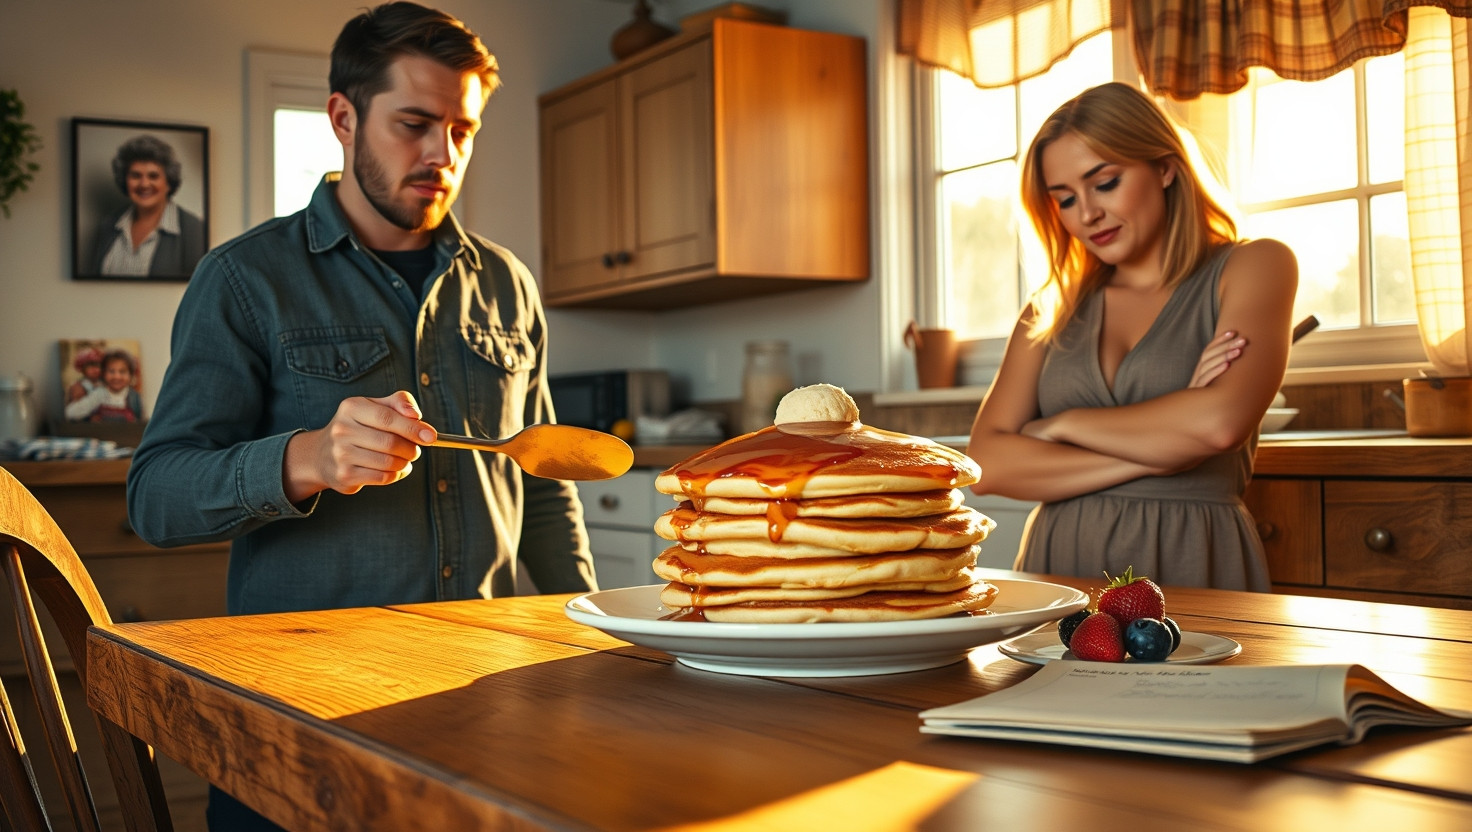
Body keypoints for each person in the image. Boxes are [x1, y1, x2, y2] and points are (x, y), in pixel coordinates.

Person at [125, 4, 596, 829]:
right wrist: (305, 458)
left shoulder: (508, 285)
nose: (441, 156)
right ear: (342, 117)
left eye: (462, 129)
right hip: (293, 719)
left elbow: (549, 485)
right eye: (414, 124)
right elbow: (154, 496)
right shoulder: (243, 280)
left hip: (485, 705)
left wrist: (602, 647)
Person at [965, 82, 1297, 592]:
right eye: (1067, 199)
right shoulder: (1051, 308)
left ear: (1164, 167)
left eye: (1106, 182)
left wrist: (1060, 425)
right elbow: (987, 464)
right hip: (1059, 567)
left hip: (1193, 556)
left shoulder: (1255, 265)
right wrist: (1168, 445)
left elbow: (1217, 426)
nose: (1087, 214)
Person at [88, 133, 207, 277]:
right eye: (136, 176)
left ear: (168, 182)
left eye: (153, 176)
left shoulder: (193, 229)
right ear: (125, 180)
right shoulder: (108, 225)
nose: (144, 184)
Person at [63, 348, 141, 422]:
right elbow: (70, 414)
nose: (117, 376)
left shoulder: (134, 397)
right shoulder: (98, 394)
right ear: (103, 374)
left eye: (122, 372)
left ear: (130, 375)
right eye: (111, 371)